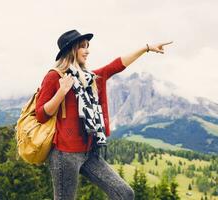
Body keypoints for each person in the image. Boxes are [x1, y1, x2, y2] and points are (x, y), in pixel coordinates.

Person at [35, 29, 172, 200]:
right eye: (82, 47)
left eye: (87, 46)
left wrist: (146, 48)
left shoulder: (89, 78)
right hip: (65, 155)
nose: (87, 50)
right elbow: (40, 115)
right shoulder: (54, 77)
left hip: (90, 153)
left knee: (124, 193)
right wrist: (61, 92)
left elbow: (116, 65)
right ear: (71, 50)